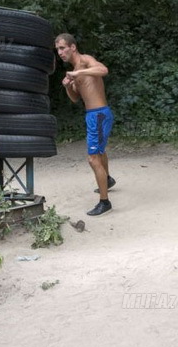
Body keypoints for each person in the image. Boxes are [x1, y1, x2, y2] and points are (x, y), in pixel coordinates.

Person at [55, 33, 115, 216]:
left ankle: (104, 202)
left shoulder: (85, 60)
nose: (60, 52)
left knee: (93, 158)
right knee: (100, 151)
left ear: (73, 47)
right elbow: (75, 98)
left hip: (98, 114)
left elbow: (103, 70)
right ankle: (108, 179)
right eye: (57, 49)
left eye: (62, 48)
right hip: (93, 115)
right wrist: (67, 86)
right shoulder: (74, 71)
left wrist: (79, 72)